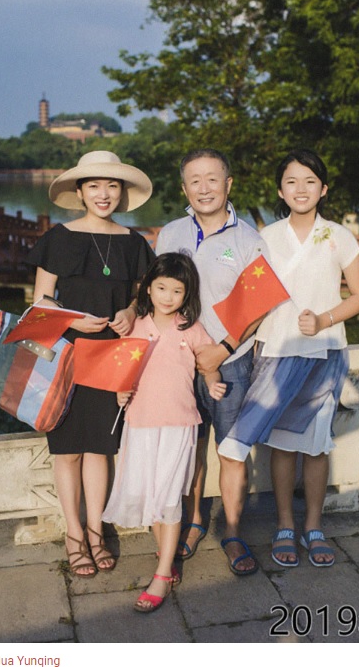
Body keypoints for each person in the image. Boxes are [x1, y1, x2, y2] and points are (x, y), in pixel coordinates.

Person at [218, 148, 359, 567]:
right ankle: (285, 524)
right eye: (291, 181)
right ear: (280, 191)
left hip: (324, 352)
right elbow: (248, 297)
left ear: (323, 189)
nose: (300, 189)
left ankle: (314, 526)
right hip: (277, 350)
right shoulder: (264, 237)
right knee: (283, 446)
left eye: (309, 181)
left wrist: (324, 318)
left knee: (316, 446)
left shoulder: (340, 236)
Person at [26, 150, 155, 578]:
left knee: (101, 447)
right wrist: (72, 318)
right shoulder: (58, 238)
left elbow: (141, 295)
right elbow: (39, 301)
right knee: (67, 452)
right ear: (79, 191)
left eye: (112, 185)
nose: (104, 194)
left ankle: (97, 531)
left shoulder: (135, 242)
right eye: (95, 185)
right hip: (64, 354)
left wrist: (133, 311)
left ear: (122, 192)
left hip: (112, 354)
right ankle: (74, 535)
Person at [155, 149, 265, 575]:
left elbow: (261, 304)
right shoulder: (170, 233)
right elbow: (158, 294)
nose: (204, 188)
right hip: (179, 364)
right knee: (190, 448)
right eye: (194, 180)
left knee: (232, 450)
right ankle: (195, 520)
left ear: (228, 184)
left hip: (230, 361)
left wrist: (222, 348)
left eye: (212, 179)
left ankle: (233, 531)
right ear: (184, 188)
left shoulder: (249, 239)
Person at [103, 253, 226, 612]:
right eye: (161, 288)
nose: (168, 296)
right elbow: (122, 369)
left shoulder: (191, 328)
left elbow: (208, 362)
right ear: (148, 288)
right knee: (151, 495)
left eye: (177, 290)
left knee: (170, 495)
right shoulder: (137, 325)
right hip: (140, 422)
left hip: (178, 424)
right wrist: (119, 391)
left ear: (187, 294)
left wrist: (214, 382)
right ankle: (167, 557)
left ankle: (161, 574)